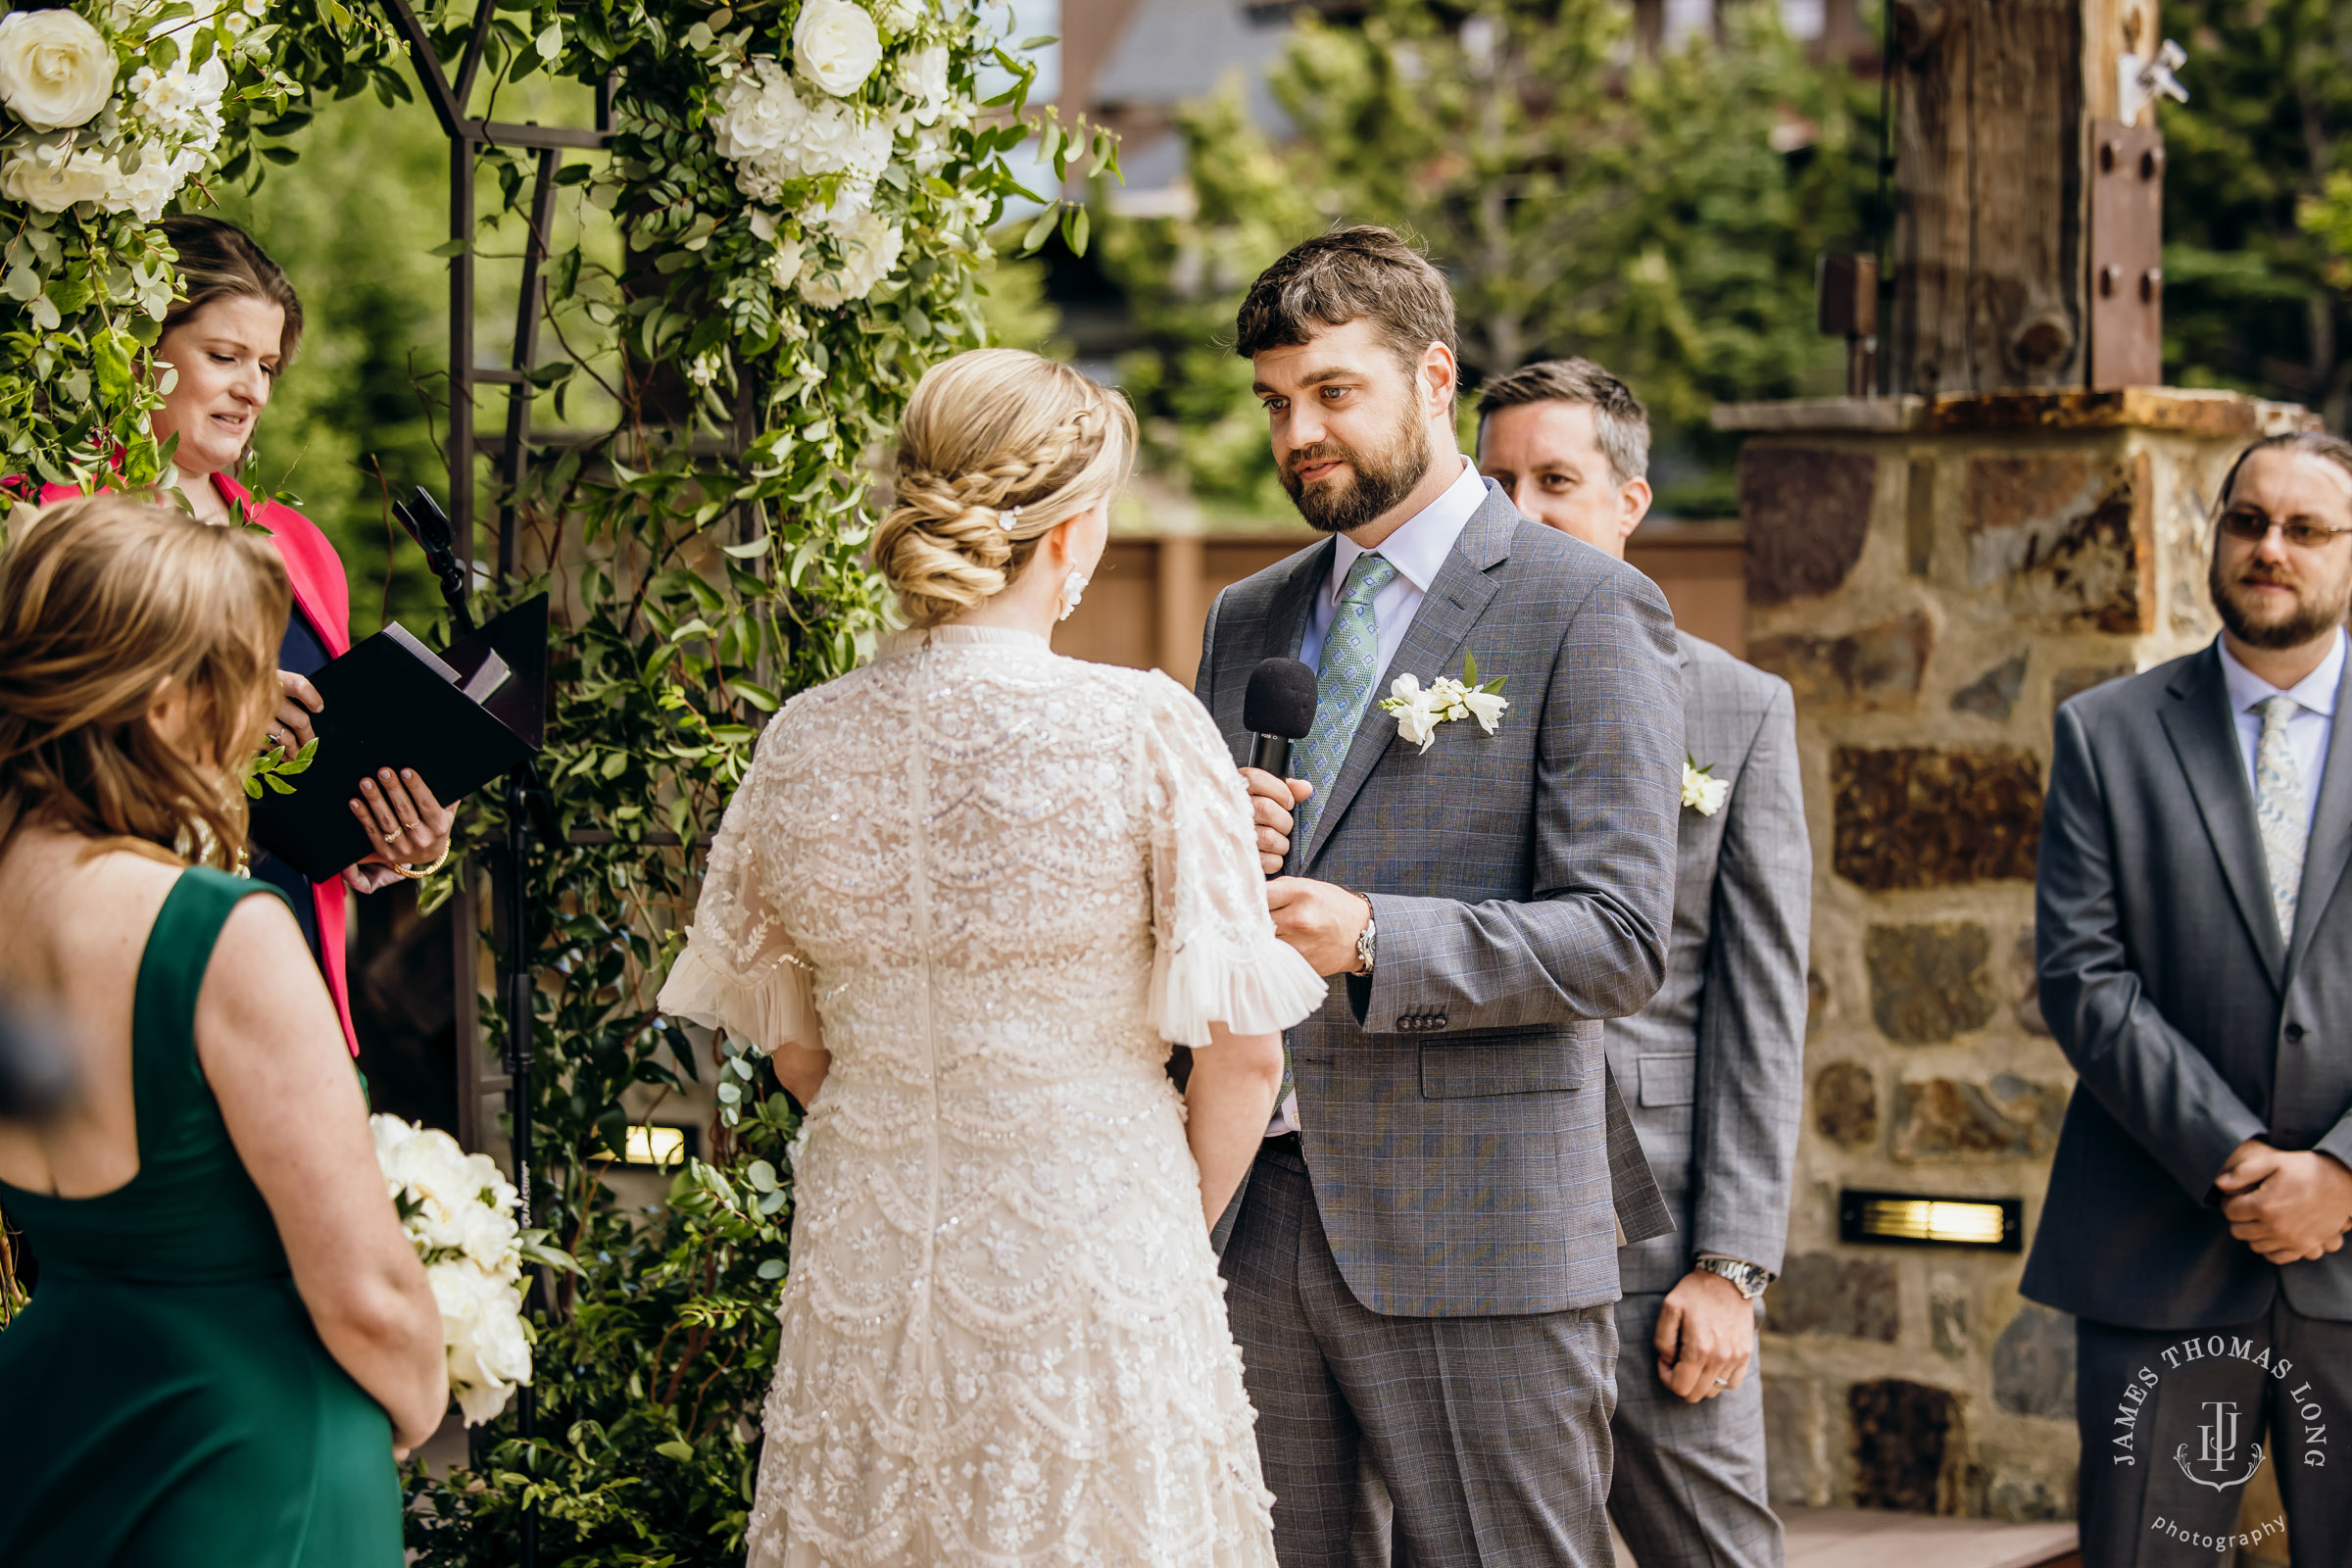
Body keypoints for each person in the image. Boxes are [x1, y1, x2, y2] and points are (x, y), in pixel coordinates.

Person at [656, 347, 1325, 1567]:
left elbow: (800, 1051)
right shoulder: (1142, 729)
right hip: (1094, 1250)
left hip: (869, 1253)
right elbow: (1244, 1062)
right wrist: (1158, 1224)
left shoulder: (801, 743)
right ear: (1069, 531)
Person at [1198, 226, 1685, 1567]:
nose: (1298, 432)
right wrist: (1208, 851)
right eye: (1275, 403)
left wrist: (1375, 936)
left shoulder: (1585, 607)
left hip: (1481, 1230)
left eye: (1332, 392)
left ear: (1431, 377)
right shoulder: (1246, 617)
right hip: (1252, 1213)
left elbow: (1624, 938)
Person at [0, 495, 445, 1566]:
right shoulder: (217, 930)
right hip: (244, 1456)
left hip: (55, 1430)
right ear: (164, 707)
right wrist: (425, 1394)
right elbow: (373, 1300)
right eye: (245, 676)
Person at [1478, 359, 1809, 1568]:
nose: (1521, 509)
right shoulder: (1438, 695)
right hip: (1466, 1228)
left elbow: (1761, 1011)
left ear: (1629, 499)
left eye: (1556, 480)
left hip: (1655, 1243)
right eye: (1496, 478)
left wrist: (1732, 1267)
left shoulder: (1738, 708)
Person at [2029, 430, 2352, 1568]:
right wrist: (2236, 1159)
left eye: (2307, 529)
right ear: (2212, 536)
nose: (2271, 549)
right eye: (2248, 520)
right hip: (2156, 1250)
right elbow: (2081, 974)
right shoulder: (2106, 733)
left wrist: (2340, 1174)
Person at [32, 215, 453, 1054]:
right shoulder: (49, 515)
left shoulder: (302, 549)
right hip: (117, 953)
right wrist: (212, 718)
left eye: (265, 367)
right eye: (223, 357)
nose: (253, 390)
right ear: (138, 346)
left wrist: (387, 834)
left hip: (285, 952)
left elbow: (310, 762)